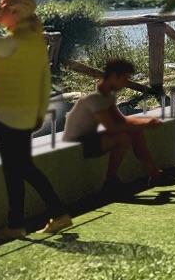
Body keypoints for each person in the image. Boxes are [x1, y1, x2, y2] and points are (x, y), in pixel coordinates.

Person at [0, 0, 70, 235]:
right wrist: (38, 112)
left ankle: (55, 213)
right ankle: (18, 223)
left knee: (19, 168)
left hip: (5, 111)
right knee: (19, 167)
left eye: (1, 7)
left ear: (15, 12)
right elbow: (44, 79)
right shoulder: (35, 39)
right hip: (25, 113)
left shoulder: (12, 42)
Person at [64, 58, 167, 192]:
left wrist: (144, 123)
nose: (125, 84)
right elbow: (111, 126)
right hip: (80, 141)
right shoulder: (97, 98)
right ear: (113, 77)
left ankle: (154, 173)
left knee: (136, 131)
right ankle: (110, 180)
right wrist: (145, 123)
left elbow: (121, 121)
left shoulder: (106, 94)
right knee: (123, 138)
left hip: (90, 136)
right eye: (124, 79)